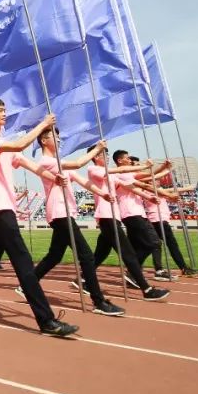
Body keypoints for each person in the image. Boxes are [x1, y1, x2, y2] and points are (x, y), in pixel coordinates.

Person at [0, 98, 78, 338]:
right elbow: (21, 146)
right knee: (23, 260)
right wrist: (43, 123)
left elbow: (27, 163)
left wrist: (54, 178)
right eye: (0, 110)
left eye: (5, 109)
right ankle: (46, 320)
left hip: (6, 206)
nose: (5, 113)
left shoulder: (2, 142)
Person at [26, 130, 124, 317]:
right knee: (86, 256)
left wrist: (102, 193)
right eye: (55, 137)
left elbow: (84, 182)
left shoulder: (60, 164)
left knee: (55, 255)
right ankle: (98, 301)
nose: (60, 140)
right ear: (44, 141)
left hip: (66, 212)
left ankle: (27, 284)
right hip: (59, 212)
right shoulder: (47, 162)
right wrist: (98, 149)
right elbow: (79, 163)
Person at [86, 146, 169, 301]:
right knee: (128, 254)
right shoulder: (93, 169)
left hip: (113, 216)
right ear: (95, 156)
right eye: (104, 154)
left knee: (100, 254)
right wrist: (144, 166)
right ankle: (147, 289)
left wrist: (148, 197)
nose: (107, 156)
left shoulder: (111, 175)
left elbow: (129, 186)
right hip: (106, 216)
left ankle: (84, 279)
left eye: (107, 154)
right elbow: (118, 172)